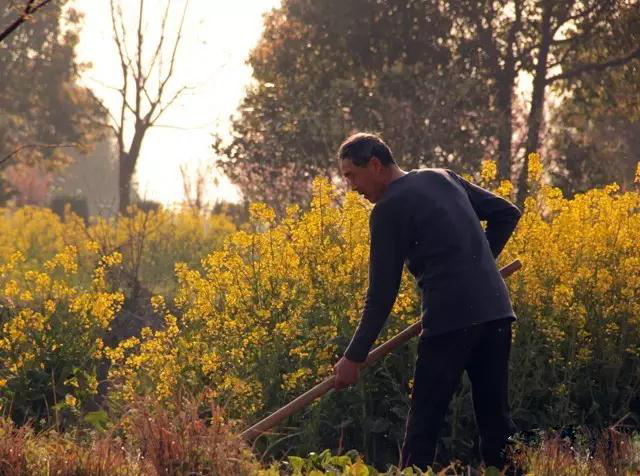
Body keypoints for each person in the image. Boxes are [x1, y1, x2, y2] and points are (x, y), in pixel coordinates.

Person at [333, 132, 522, 471]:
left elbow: (380, 295)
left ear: (375, 165)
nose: (352, 188)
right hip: (496, 311)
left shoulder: (388, 209)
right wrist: (477, 268)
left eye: (352, 176)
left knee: (423, 425)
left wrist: (353, 356)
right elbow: (507, 213)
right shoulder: (442, 176)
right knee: (497, 423)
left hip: (451, 321)